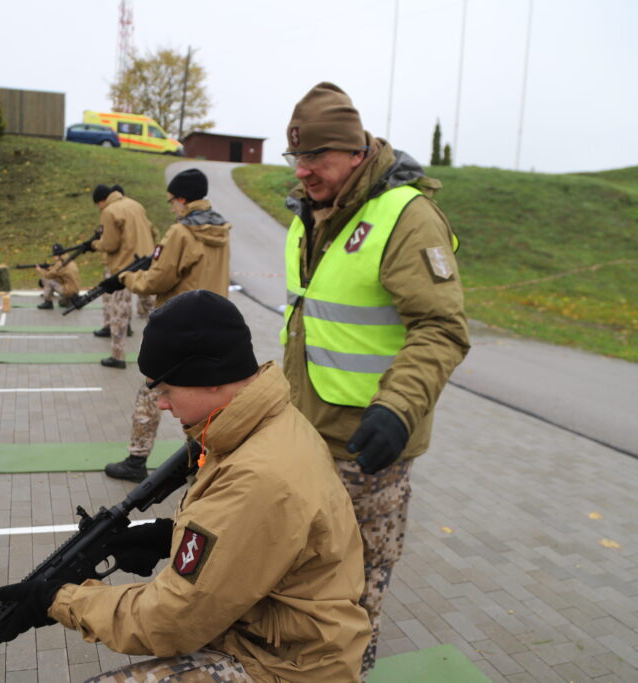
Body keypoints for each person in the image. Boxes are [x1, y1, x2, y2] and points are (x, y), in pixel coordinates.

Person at [0, 290, 372, 682]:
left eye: (167, 390)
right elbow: (253, 539)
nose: (162, 404)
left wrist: (61, 600)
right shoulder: (262, 423)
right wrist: (171, 537)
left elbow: (170, 620)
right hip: (274, 636)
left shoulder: (257, 474)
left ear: (208, 378)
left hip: (285, 665)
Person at [280, 82, 470, 675]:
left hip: (369, 448)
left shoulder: (406, 216)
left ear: (356, 152)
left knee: (356, 593)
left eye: (317, 159)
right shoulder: (308, 215)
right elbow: (304, 324)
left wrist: (397, 408)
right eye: (297, 158)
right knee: (298, 582)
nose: (304, 172)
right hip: (302, 438)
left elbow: (442, 328)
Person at [103, 168, 232, 482]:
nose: (172, 206)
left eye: (172, 200)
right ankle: (199, 458)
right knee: (203, 399)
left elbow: (157, 280)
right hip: (214, 326)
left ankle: (136, 459)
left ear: (183, 199)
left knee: (151, 392)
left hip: (179, 328)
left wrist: (126, 277)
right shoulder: (222, 230)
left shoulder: (180, 232)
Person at [89, 184, 156, 368]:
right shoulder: (136, 205)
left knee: (119, 313)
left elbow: (110, 244)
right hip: (146, 265)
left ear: (101, 201)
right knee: (153, 311)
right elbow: (152, 230)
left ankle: (118, 356)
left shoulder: (109, 212)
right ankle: (161, 350)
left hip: (123, 268)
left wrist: (95, 244)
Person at [35, 243, 80, 309]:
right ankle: (69, 300)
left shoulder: (60, 264)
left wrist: (40, 270)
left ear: (58, 255)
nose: (53, 257)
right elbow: (60, 274)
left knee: (46, 279)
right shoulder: (69, 261)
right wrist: (49, 268)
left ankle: (48, 302)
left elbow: (48, 275)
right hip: (74, 290)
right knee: (61, 303)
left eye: (54, 255)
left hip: (68, 290)